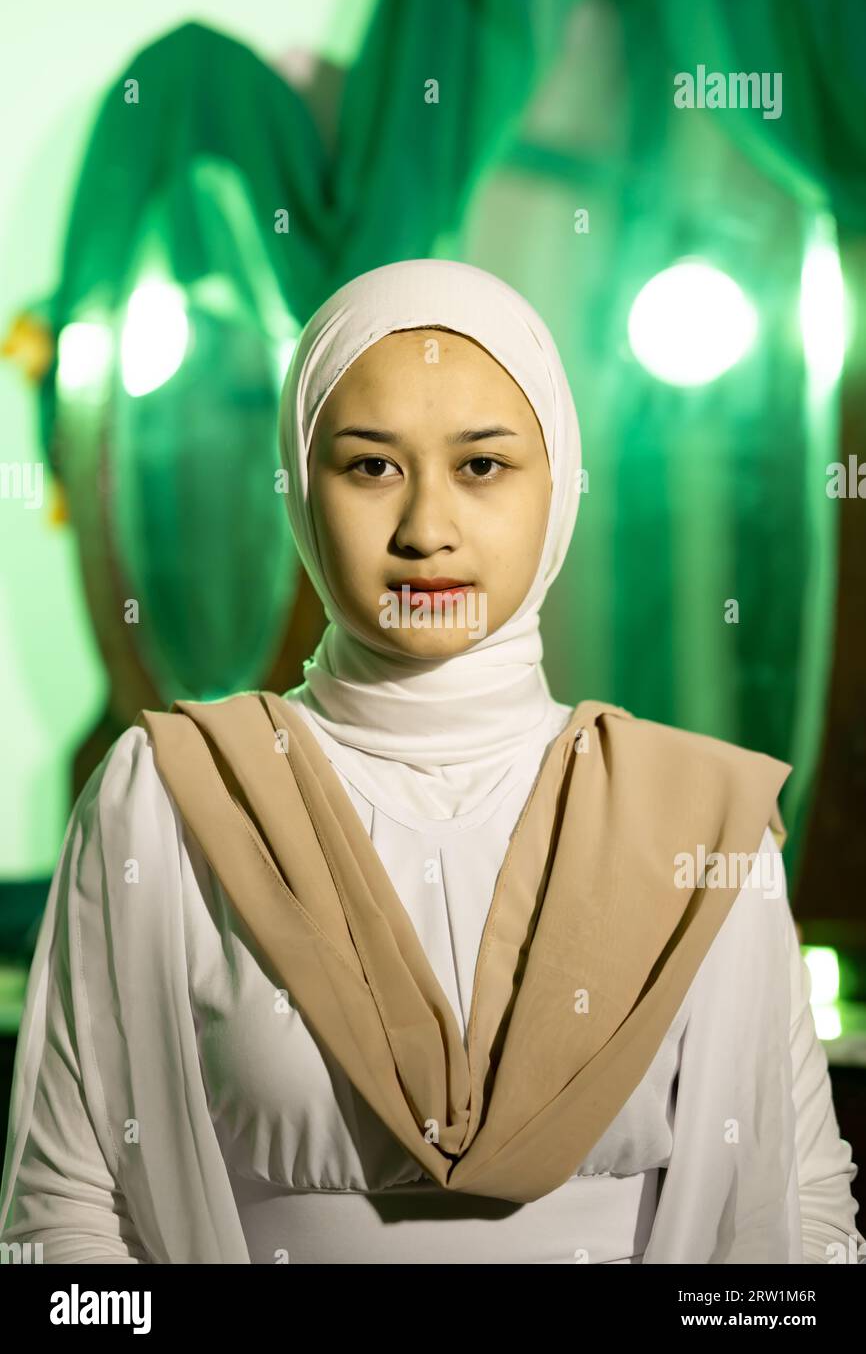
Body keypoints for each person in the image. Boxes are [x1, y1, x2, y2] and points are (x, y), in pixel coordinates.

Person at [1, 258, 862, 1264]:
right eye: (370, 466)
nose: (426, 531)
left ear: (558, 483)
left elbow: (795, 1215)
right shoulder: (172, 796)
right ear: (298, 482)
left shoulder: (694, 816)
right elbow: (65, 1206)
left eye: (481, 466)